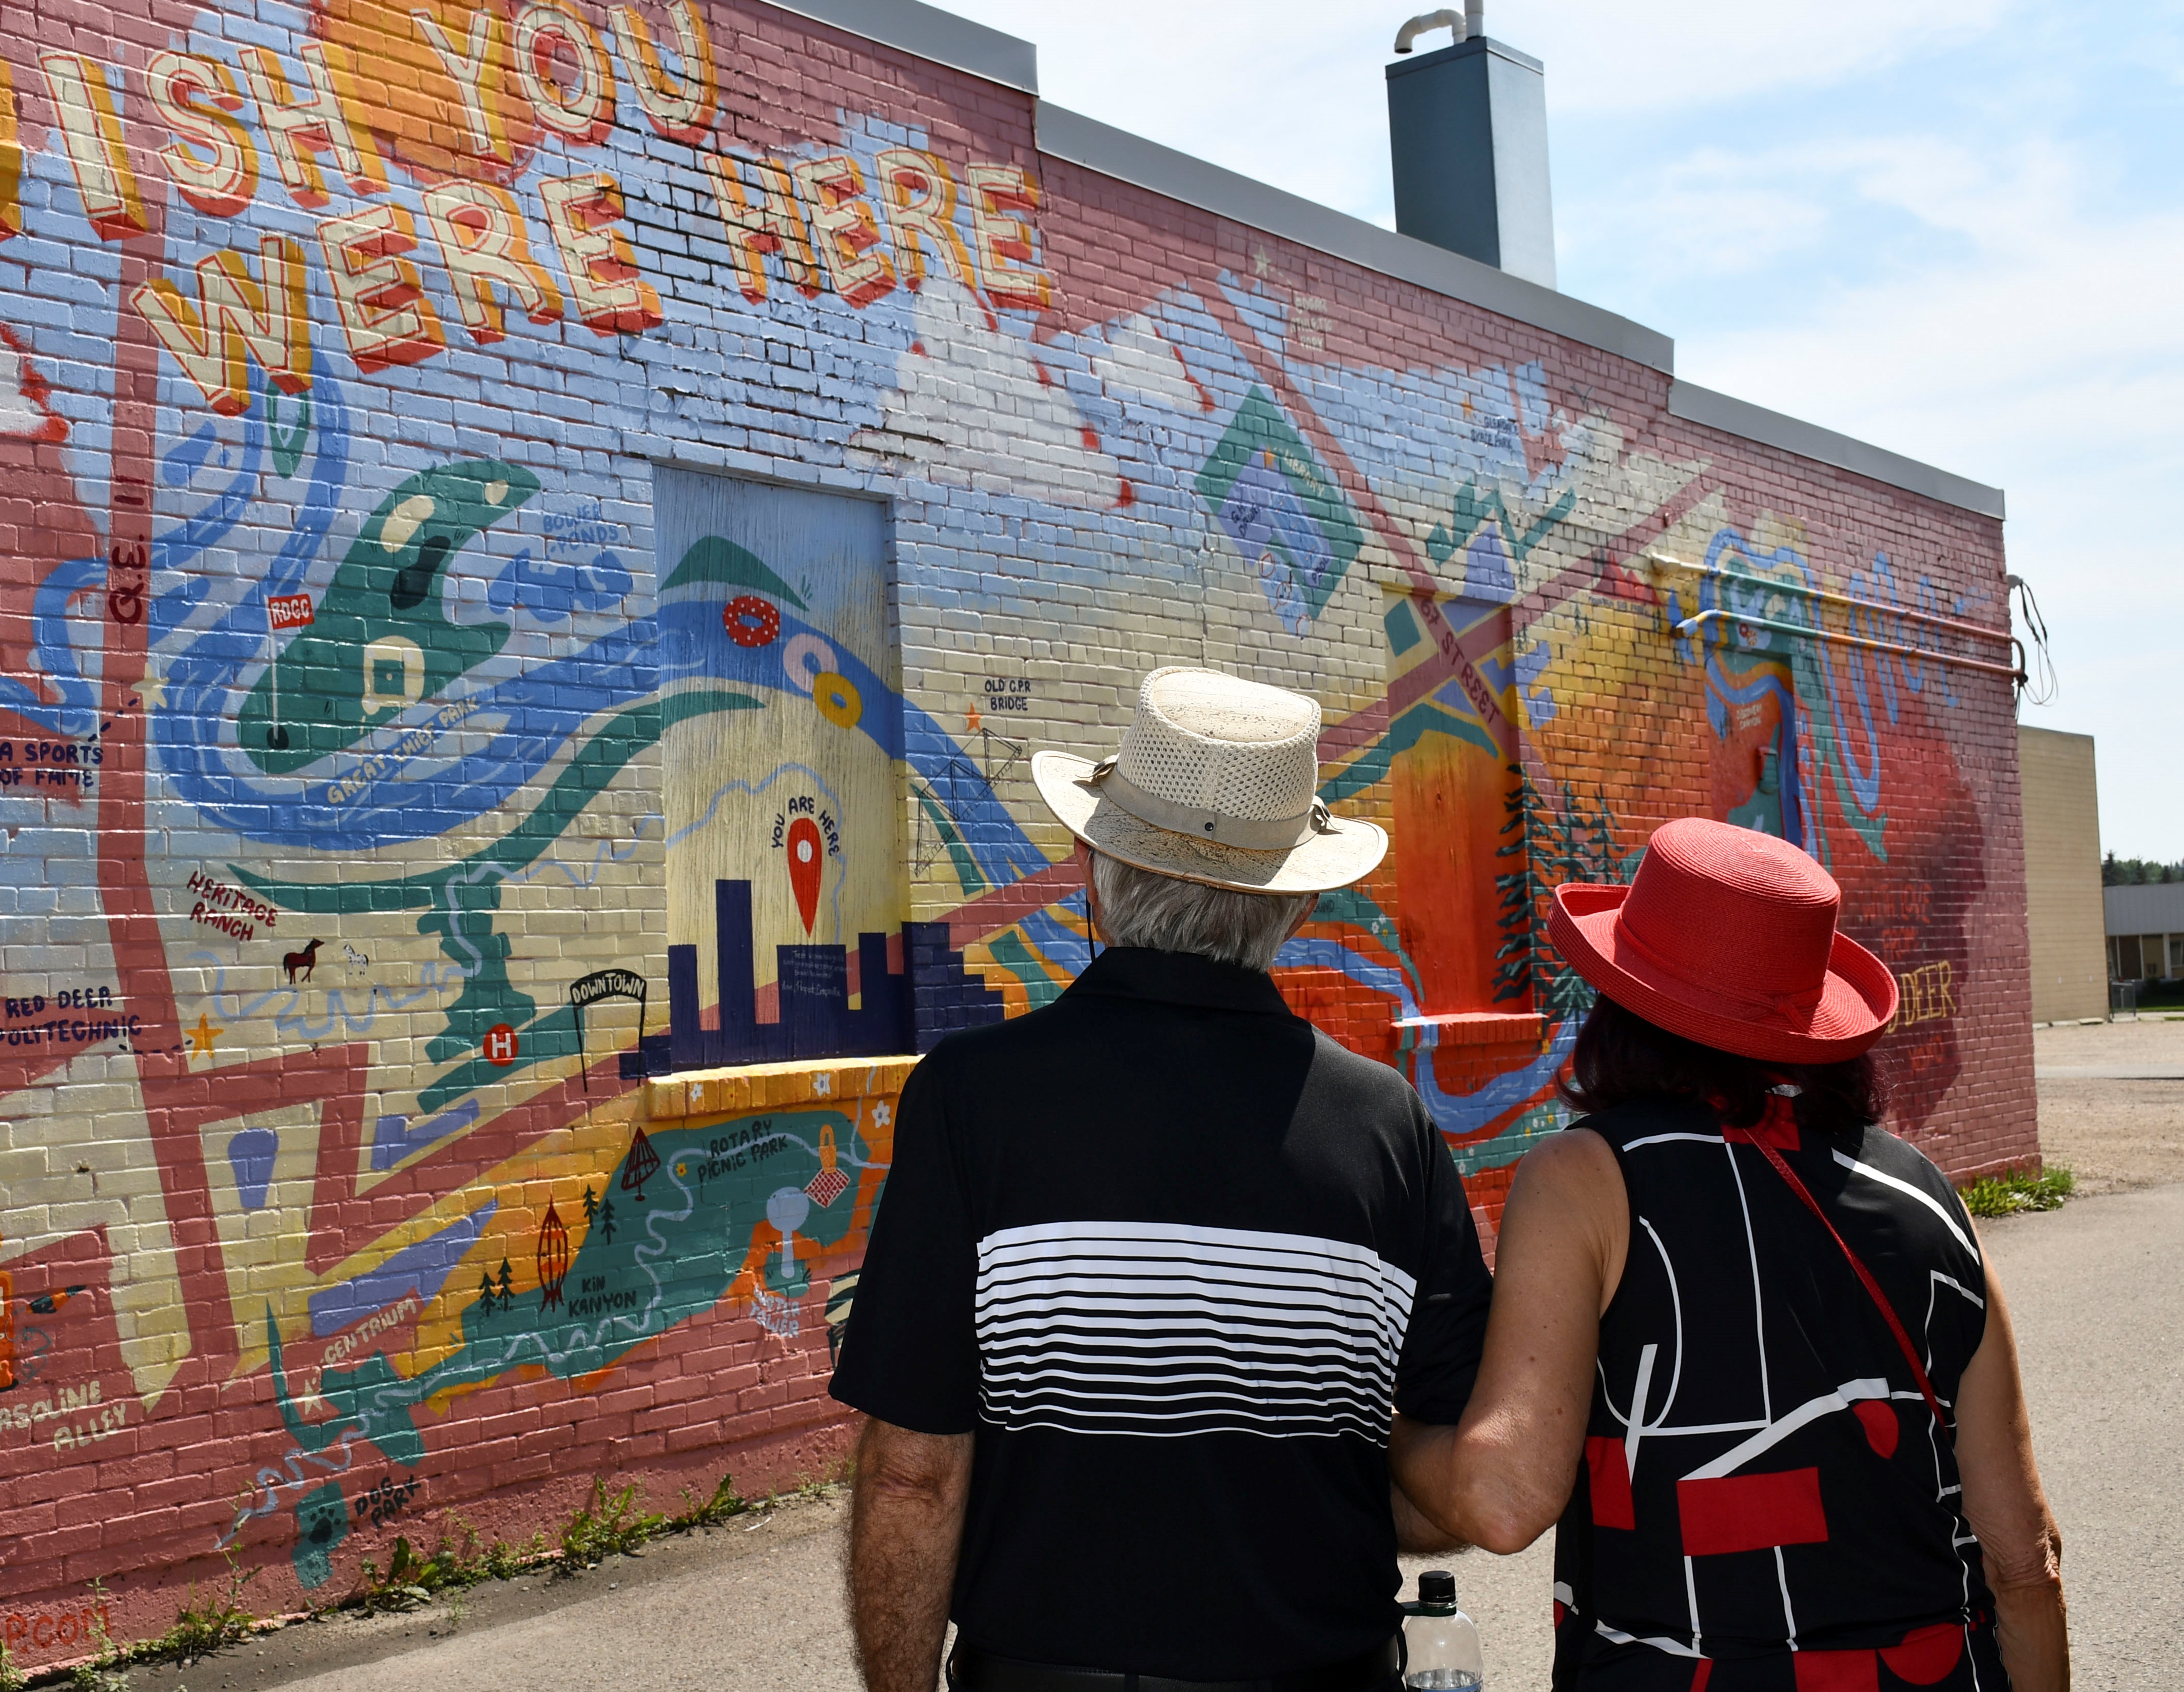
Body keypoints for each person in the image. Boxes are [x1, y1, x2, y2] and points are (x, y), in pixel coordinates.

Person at [831, 666, 1494, 1692]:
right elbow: (1456, 1470)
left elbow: (912, 1473)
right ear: (1299, 897)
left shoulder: (971, 1100)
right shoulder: (1387, 1129)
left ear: (1092, 867)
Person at [1392, 817, 2069, 1690]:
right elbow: (2023, 1560)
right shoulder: (1930, 1198)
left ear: (1621, 1003)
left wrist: (1383, 1443)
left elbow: (1503, 1495)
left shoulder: (1587, 1179)